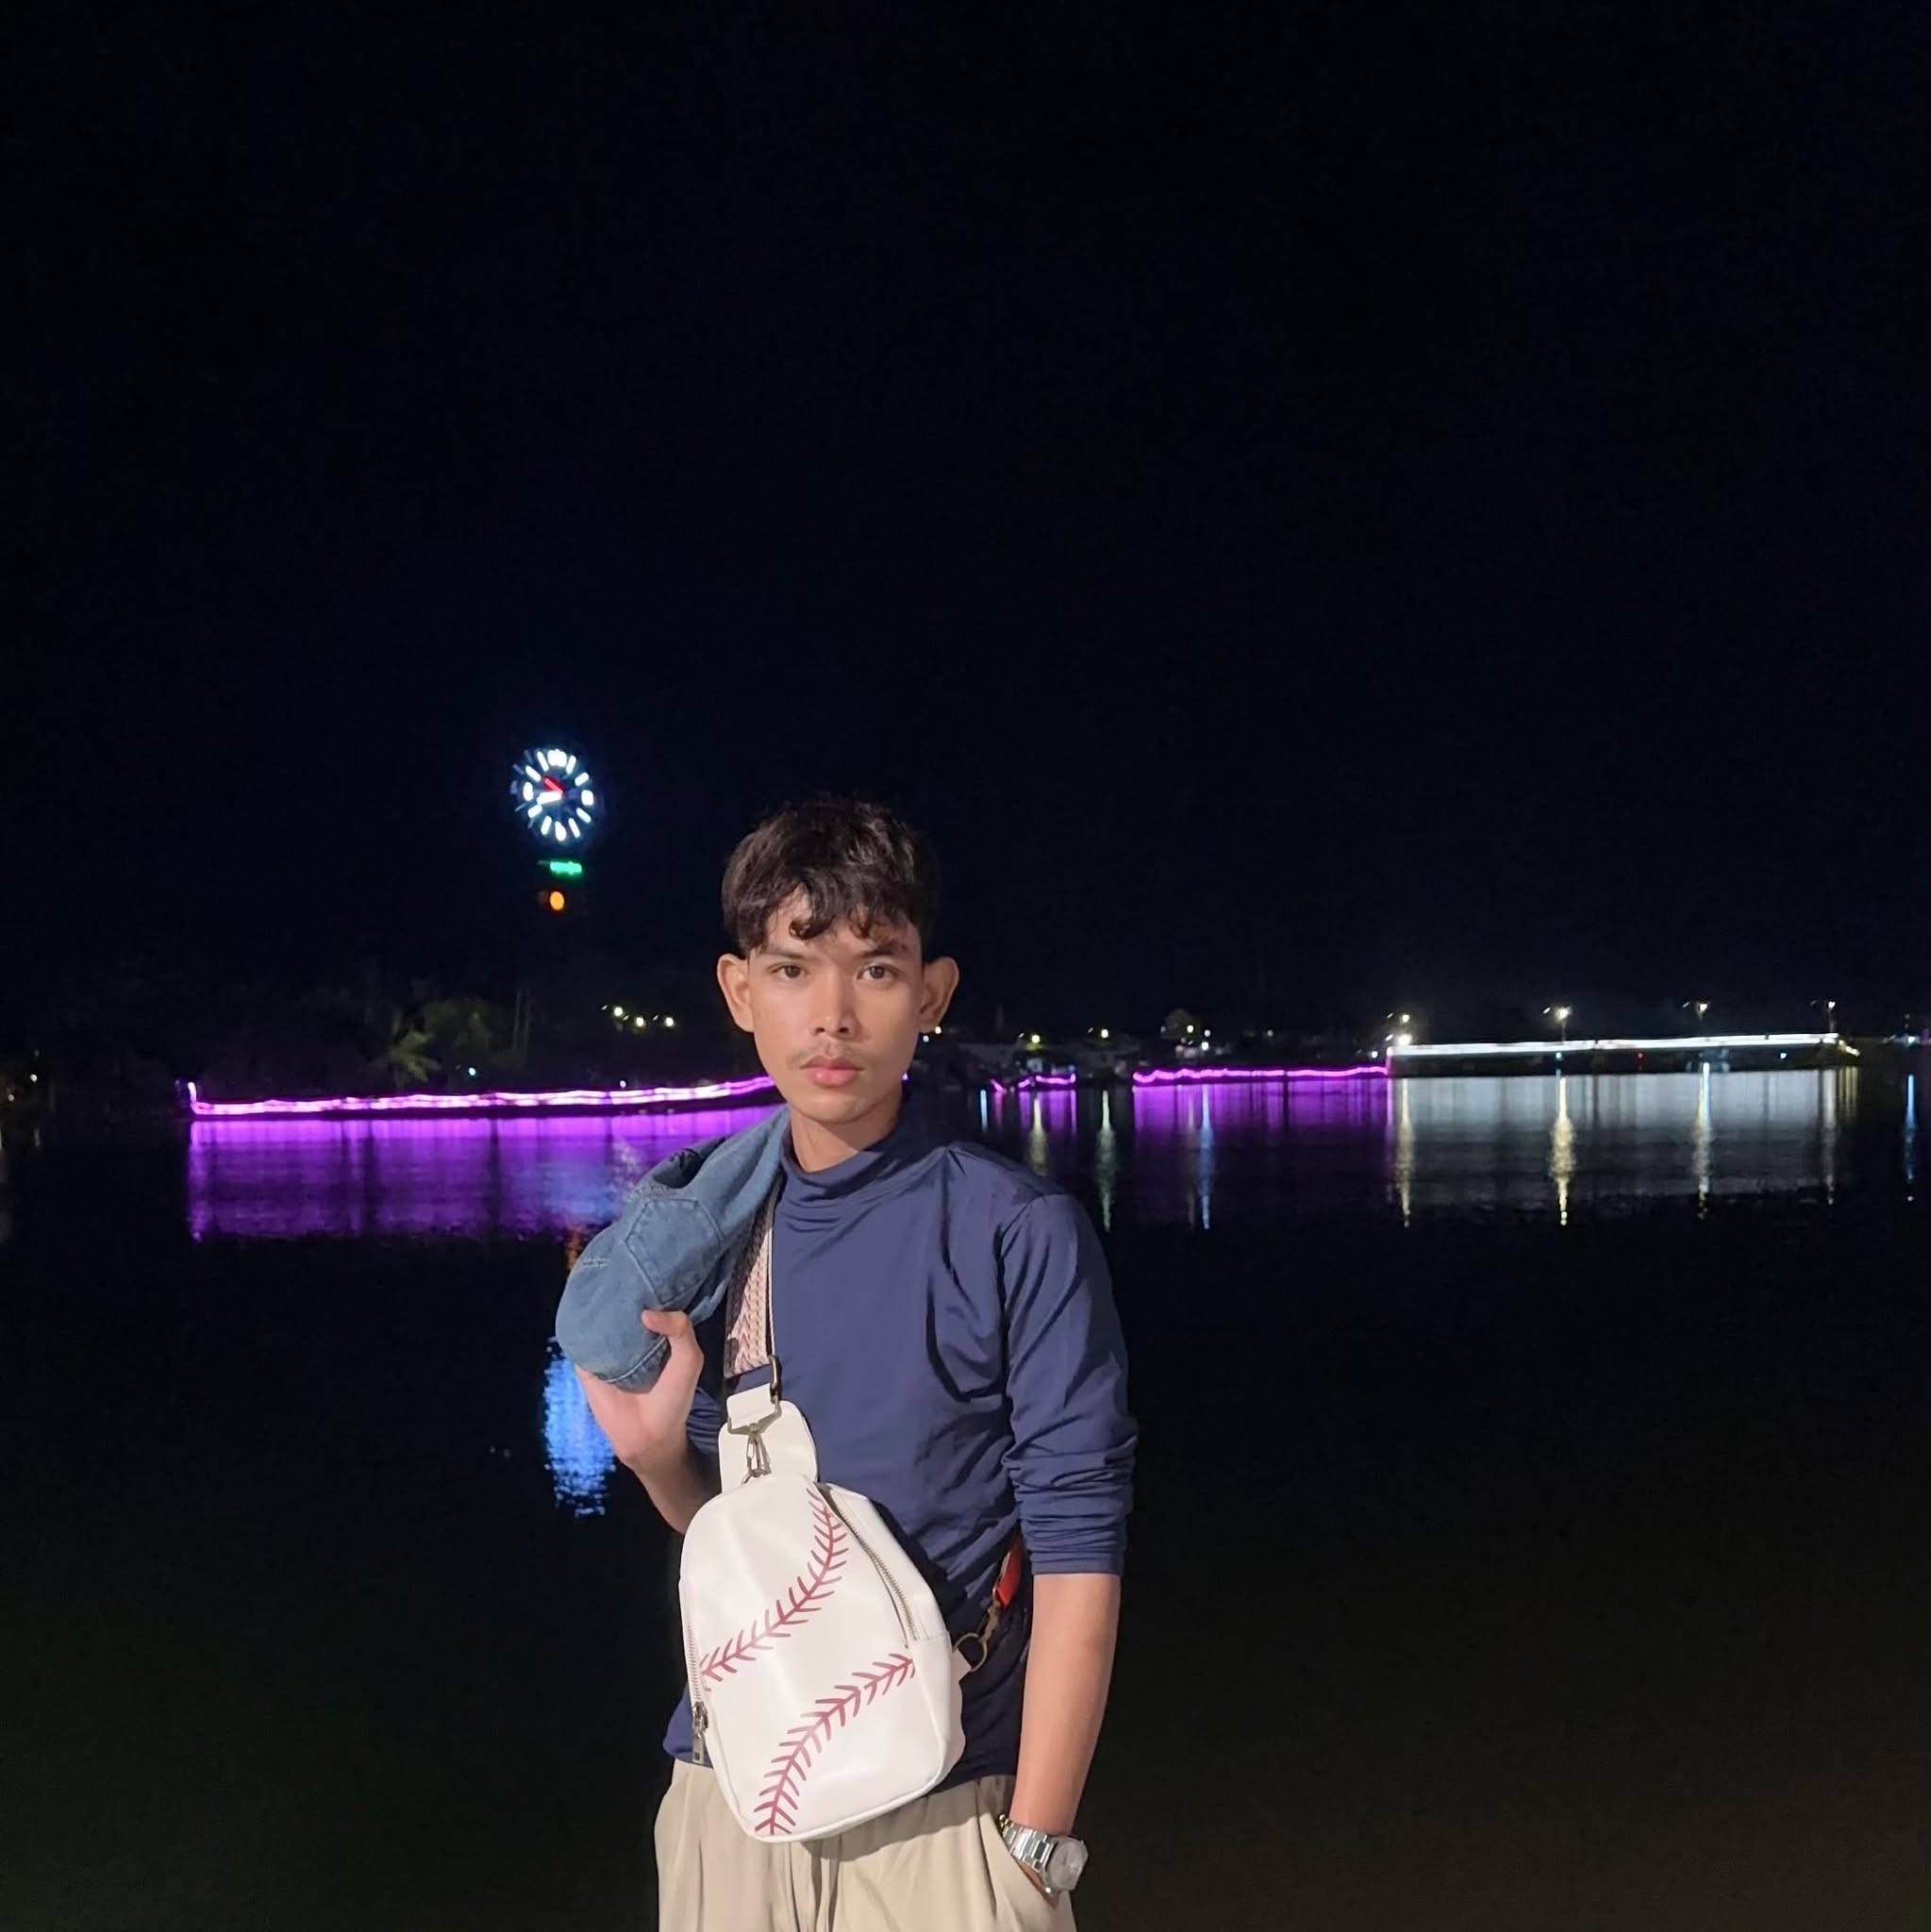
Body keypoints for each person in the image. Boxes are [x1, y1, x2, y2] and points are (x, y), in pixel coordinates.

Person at [575, 796, 1135, 1930]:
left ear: (931, 992)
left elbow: (1079, 1547)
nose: (831, 1014)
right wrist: (655, 1462)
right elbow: (745, 1544)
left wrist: (1032, 1845)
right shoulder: (716, 1238)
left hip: (945, 1813)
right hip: (732, 1796)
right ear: (740, 989)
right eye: (792, 969)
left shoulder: (1013, 1230)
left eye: (875, 969)